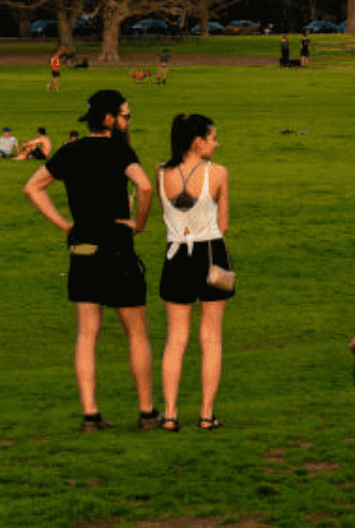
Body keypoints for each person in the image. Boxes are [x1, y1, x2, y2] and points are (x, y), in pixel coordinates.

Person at [22, 88, 161, 431]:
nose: (129, 122)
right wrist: (139, 224)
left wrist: (65, 226)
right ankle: (146, 412)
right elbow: (144, 187)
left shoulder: (70, 151)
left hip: (82, 249)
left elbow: (33, 188)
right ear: (111, 119)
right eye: (126, 116)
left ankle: (90, 414)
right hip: (116, 249)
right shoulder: (119, 149)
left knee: (87, 333)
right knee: (137, 333)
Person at [157, 112, 234, 431]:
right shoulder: (218, 173)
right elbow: (225, 223)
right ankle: (206, 414)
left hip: (176, 256)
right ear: (197, 141)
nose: (217, 143)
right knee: (211, 338)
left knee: (176, 339)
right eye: (213, 138)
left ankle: (171, 414)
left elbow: (168, 213)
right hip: (212, 253)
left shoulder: (161, 172)